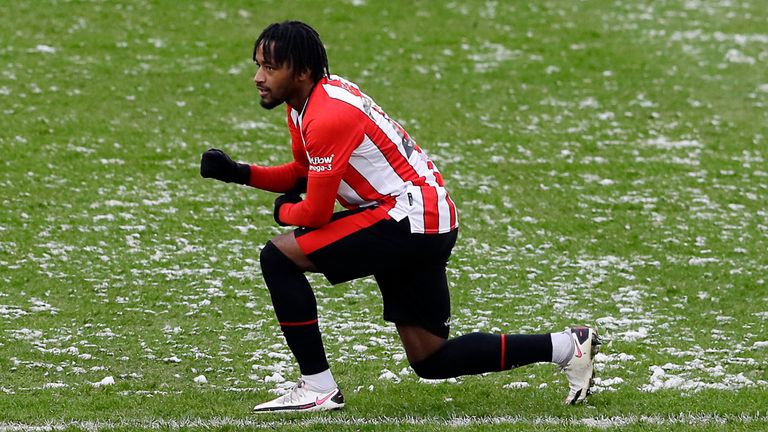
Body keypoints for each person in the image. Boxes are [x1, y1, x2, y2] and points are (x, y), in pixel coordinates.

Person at [200, 20, 601, 413]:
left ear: (301, 71)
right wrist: (240, 173)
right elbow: (305, 173)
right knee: (431, 359)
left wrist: (285, 212)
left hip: (406, 218)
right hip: (426, 219)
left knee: (279, 257)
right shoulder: (308, 105)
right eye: (258, 65)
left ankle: (317, 387)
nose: (258, 76)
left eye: (270, 67)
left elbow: (317, 212)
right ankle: (568, 346)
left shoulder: (326, 114)